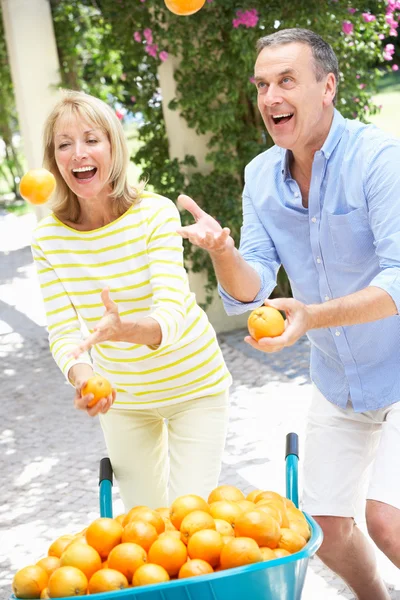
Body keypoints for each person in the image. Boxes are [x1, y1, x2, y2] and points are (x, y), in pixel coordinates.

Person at [177, 28, 400, 600]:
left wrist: (312, 317)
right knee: (323, 530)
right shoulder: (260, 178)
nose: (271, 97)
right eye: (262, 85)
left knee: (387, 523)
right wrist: (224, 252)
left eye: (286, 81)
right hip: (337, 380)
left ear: (327, 87)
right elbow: (250, 291)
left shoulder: (379, 159)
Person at [31, 90, 232, 512]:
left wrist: (124, 330)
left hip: (195, 386)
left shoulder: (154, 213)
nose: (78, 154)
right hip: (125, 401)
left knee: (188, 523)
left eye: (91, 139)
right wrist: (84, 378)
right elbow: (64, 332)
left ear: (113, 147)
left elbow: (172, 313)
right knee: (143, 530)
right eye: (64, 144)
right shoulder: (48, 239)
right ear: (53, 159)